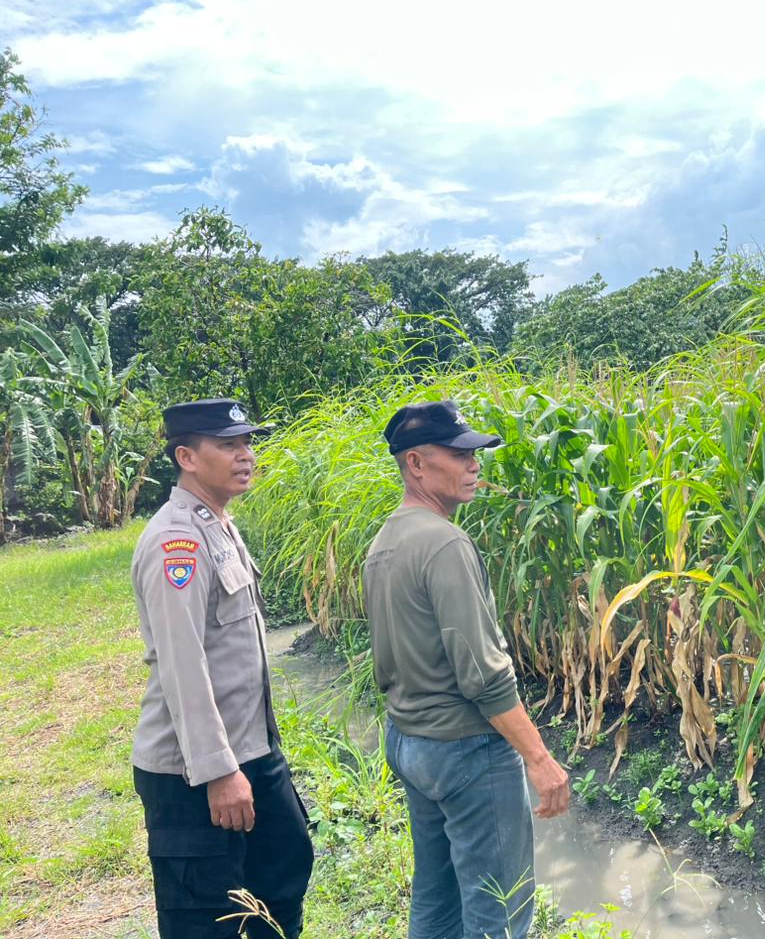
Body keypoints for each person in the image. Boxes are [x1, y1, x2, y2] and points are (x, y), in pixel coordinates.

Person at [364, 399, 569, 939]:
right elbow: (483, 674)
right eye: (459, 454)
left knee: (437, 900)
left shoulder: (384, 542)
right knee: (499, 908)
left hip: (409, 741)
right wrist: (540, 759)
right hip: (465, 750)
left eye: (474, 453)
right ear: (416, 463)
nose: (474, 464)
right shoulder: (445, 543)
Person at [130, 398, 313, 939]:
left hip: (252, 751)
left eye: (247, 443)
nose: (245, 455)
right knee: (208, 918)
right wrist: (218, 772)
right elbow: (182, 665)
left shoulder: (218, 525)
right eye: (228, 445)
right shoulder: (177, 542)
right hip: (194, 774)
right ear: (186, 457)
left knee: (282, 879)